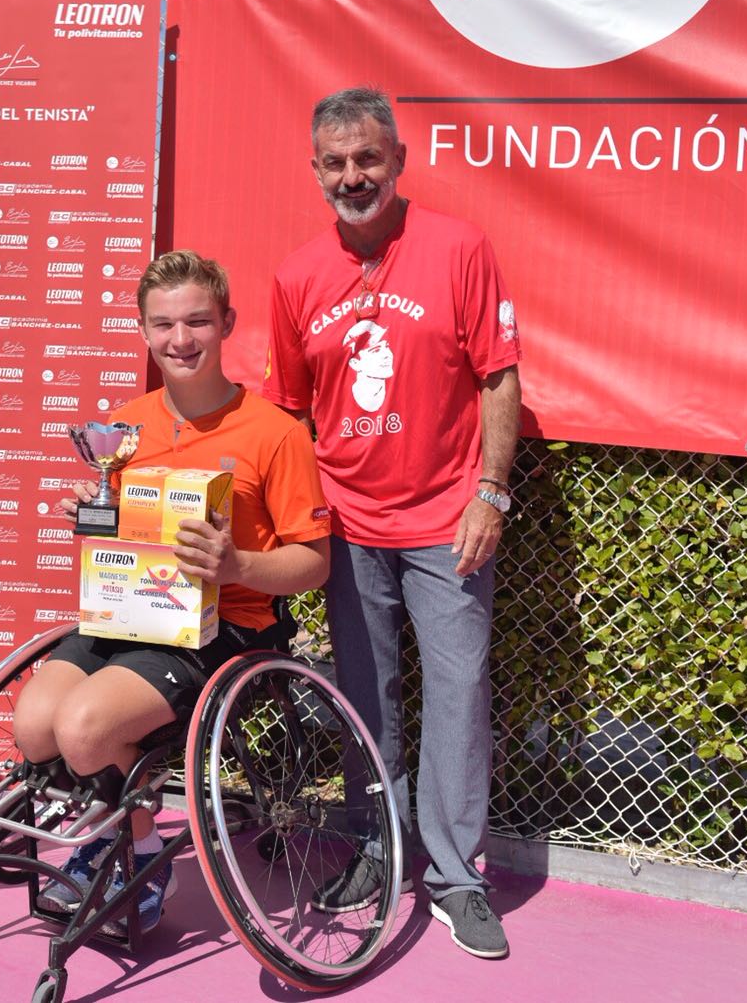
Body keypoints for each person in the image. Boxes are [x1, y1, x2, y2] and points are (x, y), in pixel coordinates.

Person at [263, 86, 522, 959]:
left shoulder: (458, 247)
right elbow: (287, 413)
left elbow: (499, 376)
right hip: (344, 524)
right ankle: (380, 847)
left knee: (457, 692)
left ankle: (453, 875)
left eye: (368, 159)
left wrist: (490, 492)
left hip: (448, 519)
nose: (352, 176)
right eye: (335, 163)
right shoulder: (297, 274)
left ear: (398, 161)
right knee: (365, 699)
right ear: (315, 171)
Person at [12, 249, 333, 935]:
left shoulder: (276, 432)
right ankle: (136, 837)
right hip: (133, 613)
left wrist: (237, 563)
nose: (180, 340)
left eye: (197, 322)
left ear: (227, 325)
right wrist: (93, 517)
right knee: (33, 725)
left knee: (83, 729)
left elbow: (313, 564)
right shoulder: (124, 429)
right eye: (163, 325)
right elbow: (128, 538)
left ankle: (123, 845)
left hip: (223, 628)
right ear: (143, 331)